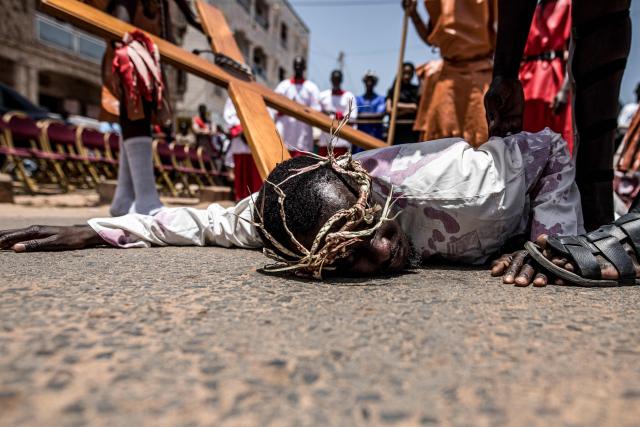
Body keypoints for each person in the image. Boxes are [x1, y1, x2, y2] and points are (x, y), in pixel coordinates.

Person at [1, 128, 581, 285]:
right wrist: (99, 229)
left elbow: (552, 148)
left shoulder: (469, 191)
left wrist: (551, 240)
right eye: (345, 256)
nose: (381, 251)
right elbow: (204, 222)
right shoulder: (283, 221)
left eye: (367, 228)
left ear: (364, 190)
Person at [484, 0, 634, 286]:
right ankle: (575, 220)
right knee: (536, 150)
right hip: (531, 76)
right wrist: (504, 72)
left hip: (556, 75)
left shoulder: (563, 6)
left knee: (561, 145)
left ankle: (596, 215)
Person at [88, 0, 202, 217]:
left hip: (149, 30)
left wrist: (194, 19)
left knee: (141, 110)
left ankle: (125, 198)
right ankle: (145, 199)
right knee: (135, 101)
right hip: (127, 30)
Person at [404, 0, 497, 147]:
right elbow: (432, 38)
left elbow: (503, 29)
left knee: (484, 143)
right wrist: (413, 14)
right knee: (439, 147)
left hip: (481, 77)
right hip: (449, 78)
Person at [519, 0, 573, 151]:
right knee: (526, 143)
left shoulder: (566, 5)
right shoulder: (534, 8)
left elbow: (574, 50)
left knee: (554, 144)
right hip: (527, 83)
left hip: (553, 83)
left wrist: (564, 90)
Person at [274, 56, 322, 156]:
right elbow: (273, 108)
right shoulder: (283, 86)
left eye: (300, 66)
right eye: (296, 66)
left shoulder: (311, 88)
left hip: (302, 135)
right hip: (285, 133)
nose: (298, 68)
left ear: (304, 68)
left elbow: (316, 110)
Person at [223, 98, 262, 201]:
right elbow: (229, 115)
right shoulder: (233, 96)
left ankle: (256, 203)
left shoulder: (257, 95)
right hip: (239, 141)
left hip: (255, 139)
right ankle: (241, 202)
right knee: (242, 179)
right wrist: (242, 130)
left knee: (256, 179)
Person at [318, 70, 358, 157]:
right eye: (334, 79)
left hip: (341, 141)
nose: (335, 81)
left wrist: (339, 116)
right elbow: (316, 112)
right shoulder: (322, 96)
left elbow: (353, 118)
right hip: (325, 141)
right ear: (331, 79)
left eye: (338, 79)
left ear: (341, 80)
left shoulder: (349, 96)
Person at [386, 62, 421, 145]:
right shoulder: (393, 90)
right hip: (396, 129)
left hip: (411, 129)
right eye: (404, 73)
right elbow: (389, 109)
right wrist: (407, 109)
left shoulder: (415, 89)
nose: (407, 76)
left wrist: (397, 106)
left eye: (409, 73)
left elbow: (415, 107)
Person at [355, 70, 387, 144]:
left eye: (371, 81)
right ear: (364, 82)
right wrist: (372, 115)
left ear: (375, 83)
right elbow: (355, 114)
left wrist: (362, 115)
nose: (369, 83)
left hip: (376, 135)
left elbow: (380, 115)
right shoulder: (358, 99)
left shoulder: (381, 99)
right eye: (367, 81)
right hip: (360, 135)